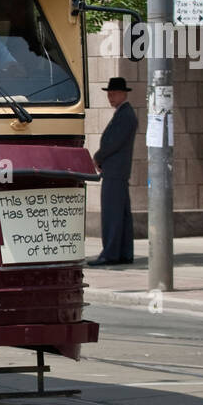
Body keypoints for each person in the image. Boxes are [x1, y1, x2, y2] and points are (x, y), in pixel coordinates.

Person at [90, 76, 138, 266]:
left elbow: (113, 143)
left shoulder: (125, 115)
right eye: (109, 94)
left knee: (112, 214)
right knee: (121, 214)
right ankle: (123, 253)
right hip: (117, 170)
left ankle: (110, 254)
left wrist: (98, 156)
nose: (110, 97)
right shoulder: (123, 113)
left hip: (115, 171)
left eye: (113, 94)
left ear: (123, 94)